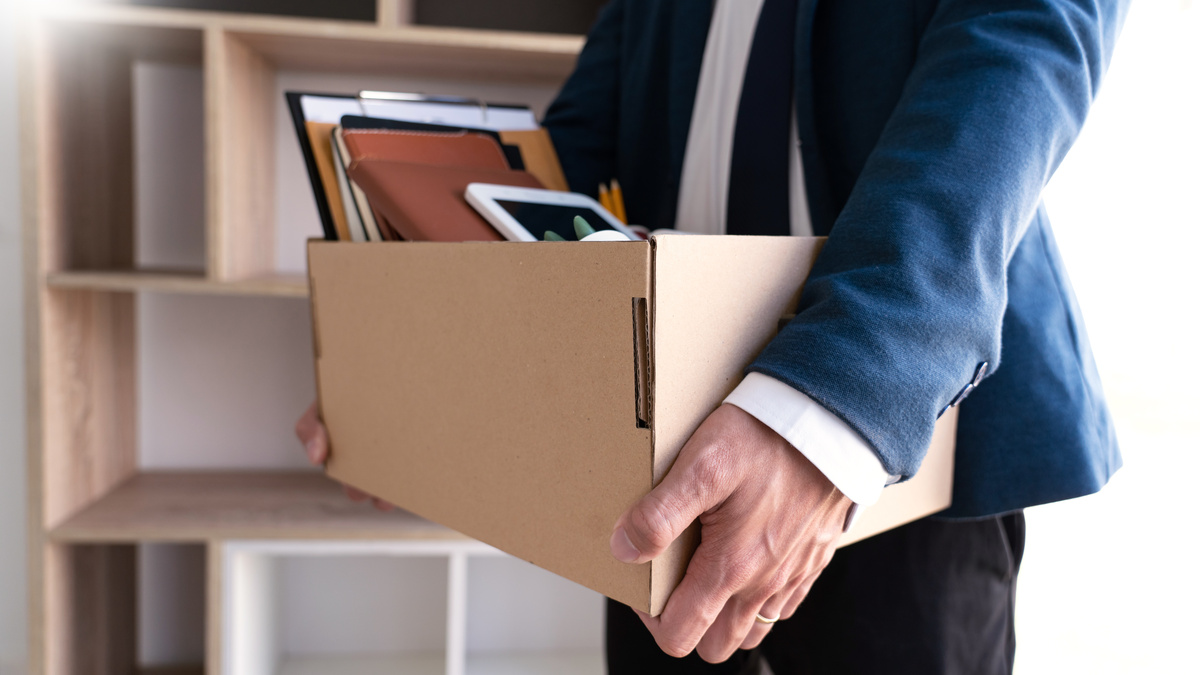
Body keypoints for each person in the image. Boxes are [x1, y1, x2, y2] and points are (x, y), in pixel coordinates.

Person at [297, 0, 1127, 671]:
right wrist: (426, 368)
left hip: (894, 432)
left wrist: (831, 410)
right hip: (654, 437)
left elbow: (1020, 47)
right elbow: (573, 156)